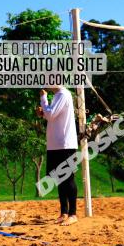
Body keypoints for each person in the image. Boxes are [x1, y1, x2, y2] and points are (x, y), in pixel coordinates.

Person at [38, 86, 79, 225]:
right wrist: (43, 112)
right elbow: (51, 116)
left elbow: (50, 115)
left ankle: (73, 214)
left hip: (65, 144)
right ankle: (64, 212)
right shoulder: (56, 96)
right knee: (59, 178)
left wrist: (43, 98)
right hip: (55, 143)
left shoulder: (63, 94)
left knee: (68, 178)